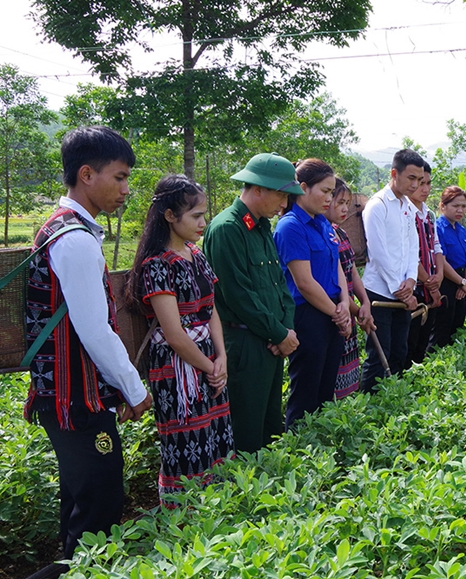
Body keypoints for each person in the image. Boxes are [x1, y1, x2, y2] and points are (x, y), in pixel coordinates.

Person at [24, 126, 153, 560]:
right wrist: (134, 390)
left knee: (84, 501)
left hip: (68, 393)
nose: (126, 189)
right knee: (99, 506)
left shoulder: (67, 230)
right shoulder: (74, 239)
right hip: (73, 400)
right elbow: (95, 330)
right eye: (119, 177)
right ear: (86, 174)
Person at [126, 175, 233, 506]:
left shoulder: (195, 255)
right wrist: (209, 367)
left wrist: (221, 358)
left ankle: (220, 509)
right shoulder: (156, 265)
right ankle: (182, 515)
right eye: (195, 216)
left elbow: (211, 309)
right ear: (170, 216)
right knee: (186, 441)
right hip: (178, 367)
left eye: (203, 215)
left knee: (216, 435)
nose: (203, 223)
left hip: (208, 357)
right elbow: (173, 333)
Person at [202, 153, 300, 453]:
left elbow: (279, 285)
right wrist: (279, 335)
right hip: (244, 343)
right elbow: (239, 295)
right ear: (258, 189)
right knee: (246, 430)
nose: (283, 205)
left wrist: (286, 330)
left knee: (270, 426)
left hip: (269, 342)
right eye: (281, 195)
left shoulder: (260, 228)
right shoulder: (227, 229)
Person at [274, 159, 351, 428]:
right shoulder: (290, 226)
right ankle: (297, 446)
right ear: (303, 188)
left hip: (331, 309)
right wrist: (338, 313)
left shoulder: (322, 223)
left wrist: (343, 302)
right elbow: (304, 283)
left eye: (332, 192)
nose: (330, 199)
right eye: (325, 191)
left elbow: (337, 265)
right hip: (308, 315)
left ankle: (320, 450)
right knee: (306, 388)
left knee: (326, 387)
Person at [360, 149, 423, 392]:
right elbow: (378, 252)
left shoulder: (407, 207)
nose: (415, 184)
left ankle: (392, 403)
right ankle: (369, 407)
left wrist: (410, 279)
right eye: (411, 178)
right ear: (394, 173)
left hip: (402, 291)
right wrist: (402, 289)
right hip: (379, 293)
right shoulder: (377, 206)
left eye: (419, 179)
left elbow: (412, 246)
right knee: (378, 355)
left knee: (399, 351)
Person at [324, 178, 376, 399]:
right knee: (329, 383)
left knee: (348, 379)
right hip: (335, 313)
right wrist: (355, 310)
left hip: (349, 310)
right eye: (339, 202)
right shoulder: (320, 234)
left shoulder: (341, 233)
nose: (345, 208)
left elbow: (352, 272)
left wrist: (364, 303)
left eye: (347, 202)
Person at [404, 162, 444, 368]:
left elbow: (436, 247)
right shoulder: (405, 213)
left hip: (431, 286)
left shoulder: (429, 215)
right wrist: (429, 282)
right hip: (416, 288)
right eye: (420, 183)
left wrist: (439, 277)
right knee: (409, 342)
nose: (425, 189)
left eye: (428, 183)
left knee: (423, 342)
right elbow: (410, 255)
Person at [432, 185, 466, 348]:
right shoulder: (438, 229)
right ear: (443, 206)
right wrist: (462, 283)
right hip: (446, 283)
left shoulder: (462, 230)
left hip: (462, 282)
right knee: (442, 330)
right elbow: (441, 261)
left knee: (458, 328)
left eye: (463, 206)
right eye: (455, 206)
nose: (460, 210)